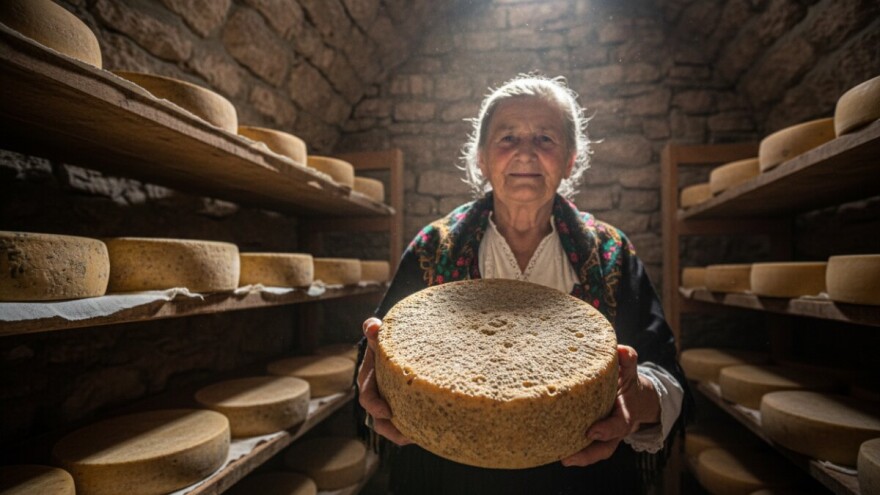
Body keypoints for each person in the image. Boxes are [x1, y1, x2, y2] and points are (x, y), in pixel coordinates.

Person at [356, 74, 690, 494]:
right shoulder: (433, 248)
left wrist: (636, 399)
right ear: (481, 158)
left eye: (546, 139)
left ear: (570, 160)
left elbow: (664, 370)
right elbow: (378, 356)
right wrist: (376, 388)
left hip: (580, 476)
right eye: (508, 137)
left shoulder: (611, 253)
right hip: (450, 476)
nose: (526, 152)